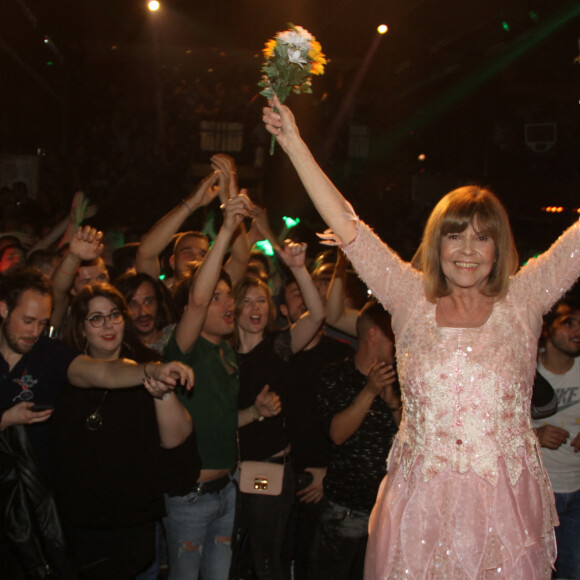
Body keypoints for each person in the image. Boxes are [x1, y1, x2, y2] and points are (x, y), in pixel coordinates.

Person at [263, 94, 580, 578]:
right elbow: (347, 226)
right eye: (455, 236)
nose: (467, 250)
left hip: (504, 509)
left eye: (481, 236)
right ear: (438, 243)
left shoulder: (525, 297)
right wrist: (293, 142)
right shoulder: (409, 299)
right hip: (420, 508)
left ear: (499, 245)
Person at [0, 268, 193, 576]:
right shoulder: (60, 371)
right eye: (28, 321)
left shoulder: (53, 357)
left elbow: (105, 373)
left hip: (121, 526)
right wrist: (6, 418)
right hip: (60, 522)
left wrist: (153, 371)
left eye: (115, 315)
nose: (35, 331)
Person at [162, 190, 281, 580]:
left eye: (230, 295)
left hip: (227, 491)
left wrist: (254, 413)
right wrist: (227, 227)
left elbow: (224, 419)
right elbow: (196, 301)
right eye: (218, 297)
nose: (228, 303)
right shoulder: (184, 349)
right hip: (190, 500)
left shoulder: (227, 353)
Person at [234, 240, 325, 580]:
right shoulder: (223, 355)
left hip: (268, 470)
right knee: (234, 560)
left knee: (267, 557)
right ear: (233, 309)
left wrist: (299, 269)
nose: (255, 308)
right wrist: (254, 410)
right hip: (228, 472)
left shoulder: (278, 346)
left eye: (261, 300)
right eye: (246, 301)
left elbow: (317, 315)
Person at [314, 299, 400, 580]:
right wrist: (369, 391)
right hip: (345, 513)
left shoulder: (403, 381)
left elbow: (416, 441)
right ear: (374, 334)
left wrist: (394, 406)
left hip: (390, 515)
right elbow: (337, 434)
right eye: (394, 335)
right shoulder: (335, 375)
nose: (400, 344)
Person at [534, 296, 580, 579]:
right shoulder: (525, 371)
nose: (578, 331)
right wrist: (535, 434)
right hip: (536, 494)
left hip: (577, 493)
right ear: (547, 328)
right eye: (569, 323)